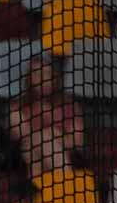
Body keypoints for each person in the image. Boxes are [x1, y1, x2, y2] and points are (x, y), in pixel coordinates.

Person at [8, 55, 85, 185]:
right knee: (34, 145)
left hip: (65, 155)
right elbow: (20, 136)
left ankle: (42, 191)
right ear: (30, 78)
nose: (44, 79)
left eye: (48, 74)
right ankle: (65, 184)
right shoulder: (18, 106)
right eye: (38, 74)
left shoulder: (69, 105)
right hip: (29, 157)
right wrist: (49, 133)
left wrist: (53, 135)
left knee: (43, 139)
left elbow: (77, 142)